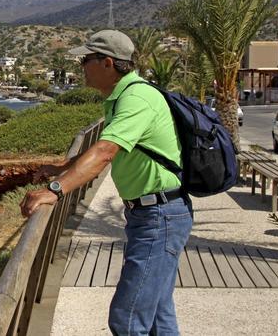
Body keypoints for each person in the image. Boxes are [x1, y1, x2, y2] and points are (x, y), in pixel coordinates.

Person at [19, 29, 193, 335]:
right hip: (149, 215)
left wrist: (55, 190)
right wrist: (62, 167)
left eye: (86, 60)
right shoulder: (119, 98)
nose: (81, 66)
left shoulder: (137, 97)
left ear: (107, 62)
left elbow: (105, 151)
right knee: (158, 316)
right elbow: (105, 147)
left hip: (160, 217)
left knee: (126, 321)